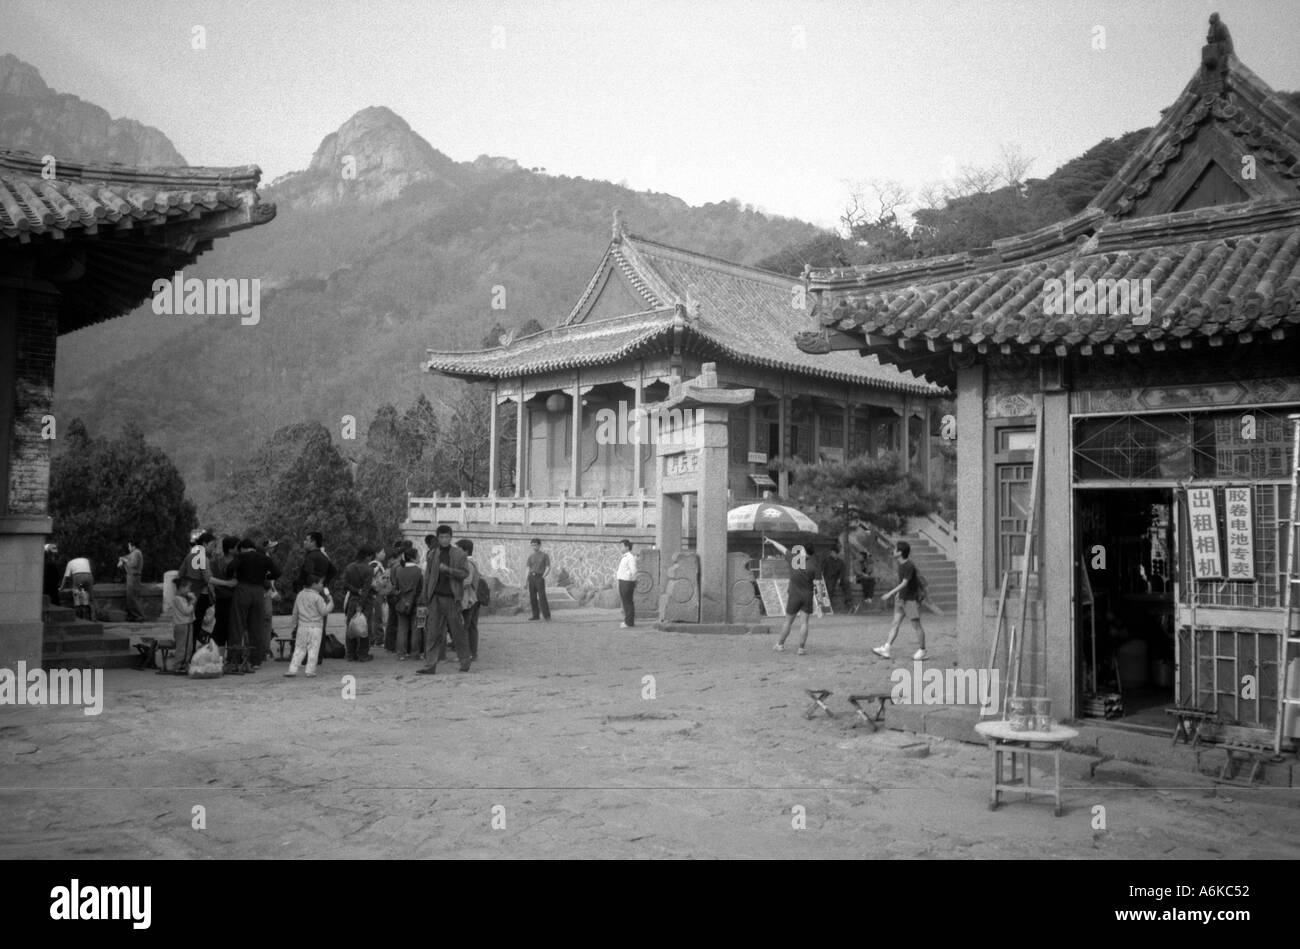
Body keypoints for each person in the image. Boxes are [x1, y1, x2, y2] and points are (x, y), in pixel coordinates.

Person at [416, 525, 472, 674]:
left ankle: (465, 663)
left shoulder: (459, 554)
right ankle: (430, 666)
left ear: (451, 537)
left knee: (457, 632)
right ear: (438, 538)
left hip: (452, 599)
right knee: (432, 633)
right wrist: (425, 595)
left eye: (447, 537)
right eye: (441, 537)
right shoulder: (433, 554)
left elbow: (465, 573)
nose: (444, 539)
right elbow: (427, 576)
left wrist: (448, 570)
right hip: (435, 598)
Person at [226, 537, 281, 673]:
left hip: (243, 589)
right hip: (258, 591)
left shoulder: (241, 556)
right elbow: (277, 573)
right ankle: (256, 660)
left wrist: (233, 577)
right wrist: (264, 577)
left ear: (243, 548)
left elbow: (230, 568)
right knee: (256, 626)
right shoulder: (264, 558)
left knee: (237, 625)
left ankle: (235, 658)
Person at [872, 540, 928, 661]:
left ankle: (922, 650)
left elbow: (904, 583)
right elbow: (903, 584)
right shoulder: (901, 564)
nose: (893, 551)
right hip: (901, 600)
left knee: (916, 626)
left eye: (895, 549)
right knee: (895, 624)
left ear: (900, 552)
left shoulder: (909, 566)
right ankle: (886, 649)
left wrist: (890, 593)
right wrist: (898, 593)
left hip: (911, 601)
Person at [766, 537, 820, 655]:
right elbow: (816, 580)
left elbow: (783, 549)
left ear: (804, 551)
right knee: (804, 623)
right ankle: (801, 648)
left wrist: (772, 541)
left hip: (794, 595)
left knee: (788, 621)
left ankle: (780, 644)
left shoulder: (794, 560)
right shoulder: (813, 564)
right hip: (807, 595)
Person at [294, 531, 336, 666]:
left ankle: (307, 657)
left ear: (313, 542)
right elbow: (333, 570)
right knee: (319, 625)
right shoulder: (323, 556)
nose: (304, 542)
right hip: (321, 591)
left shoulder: (311, 556)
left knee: (306, 624)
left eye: (307, 540)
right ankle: (317, 657)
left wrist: (300, 585)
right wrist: (323, 583)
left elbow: (307, 573)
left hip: (309, 592)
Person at [285, 574, 332, 678]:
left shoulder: (300, 595)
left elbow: (295, 611)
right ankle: (310, 670)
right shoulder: (318, 598)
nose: (322, 585)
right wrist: (331, 603)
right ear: (314, 584)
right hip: (316, 628)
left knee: (299, 648)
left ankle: (292, 669)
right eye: (321, 583)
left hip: (302, 626)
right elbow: (323, 612)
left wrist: (293, 624)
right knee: (313, 649)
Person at [341, 546, 376, 662]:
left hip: (352, 599)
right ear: (367, 556)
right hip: (365, 602)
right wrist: (361, 604)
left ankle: (350, 654)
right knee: (365, 627)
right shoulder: (369, 569)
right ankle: (362, 654)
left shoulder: (349, 567)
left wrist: (355, 590)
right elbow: (366, 589)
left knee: (351, 626)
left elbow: (345, 584)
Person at [390, 547, 424, 660]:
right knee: (416, 629)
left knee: (402, 629)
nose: (419, 557)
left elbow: (396, 587)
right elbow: (421, 588)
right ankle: (415, 653)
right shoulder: (418, 571)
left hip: (401, 603)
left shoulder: (399, 570)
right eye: (418, 555)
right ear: (414, 558)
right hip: (416, 603)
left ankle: (401, 653)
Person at [210, 536, 239, 651]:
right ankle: (219, 655)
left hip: (233, 598)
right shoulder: (217, 563)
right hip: (224, 598)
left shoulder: (237, 560)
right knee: (221, 626)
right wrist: (227, 584)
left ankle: (231, 656)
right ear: (230, 549)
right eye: (237, 546)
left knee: (231, 627)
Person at [456, 538, 481, 661]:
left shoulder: (468, 564)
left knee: (465, 627)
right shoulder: (473, 562)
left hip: (468, 599)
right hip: (473, 598)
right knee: (471, 627)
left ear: (465, 551)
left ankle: (467, 654)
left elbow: (466, 582)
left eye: (458, 549)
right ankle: (472, 653)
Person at [171, 576, 197, 673]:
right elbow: (186, 611)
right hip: (181, 625)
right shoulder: (177, 599)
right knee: (182, 646)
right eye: (188, 588)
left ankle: (184, 664)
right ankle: (177, 665)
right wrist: (192, 602)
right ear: (181, 588)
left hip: (187, 624)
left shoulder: (183, 598)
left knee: (188, 646)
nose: (189, 590)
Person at [117, 540, 145, 622]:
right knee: (130, 598)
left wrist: (124, 560)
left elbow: (133, 564)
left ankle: (140, 616)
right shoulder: (133, 553)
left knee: (133, 598)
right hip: (131, 576)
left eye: (129, 546)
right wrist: (122, 559)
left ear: (133, 546)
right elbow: (126, 558)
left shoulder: (136, 552)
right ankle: (134, 616)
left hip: (134, 577)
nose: (128, 548)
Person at [62, 554, 95, 620]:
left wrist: (62, 587)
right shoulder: (85, 560)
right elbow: (90, 570)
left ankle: (79, 617)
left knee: (77, 596)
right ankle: (93, 617)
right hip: (88, 576)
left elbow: (66, 577)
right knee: (90, 597)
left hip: (78, 577)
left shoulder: (70, 562)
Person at [526, 537, 551, 621]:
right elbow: (527, 568)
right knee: (532, 597)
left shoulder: (544, 555)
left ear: (539, 545)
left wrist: (543, 576)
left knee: (542, 597)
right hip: (531, 578)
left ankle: (547, 616)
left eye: (535, 545)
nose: (534, 547)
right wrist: (526, 580)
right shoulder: (530, 557)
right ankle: (535, 615)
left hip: (540, 577)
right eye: (532, 545)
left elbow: (548, 567)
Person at [615, 539, 638, 628]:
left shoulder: (630, 557)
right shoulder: (625, 557)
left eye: (622, 546)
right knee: (626, 602)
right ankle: (628, 621)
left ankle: (629, 622)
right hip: (623, 581)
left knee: (627, 602)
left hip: (627, 582)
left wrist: (632, 580)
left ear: (627, 547)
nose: (620, 548)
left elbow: (634, 570)